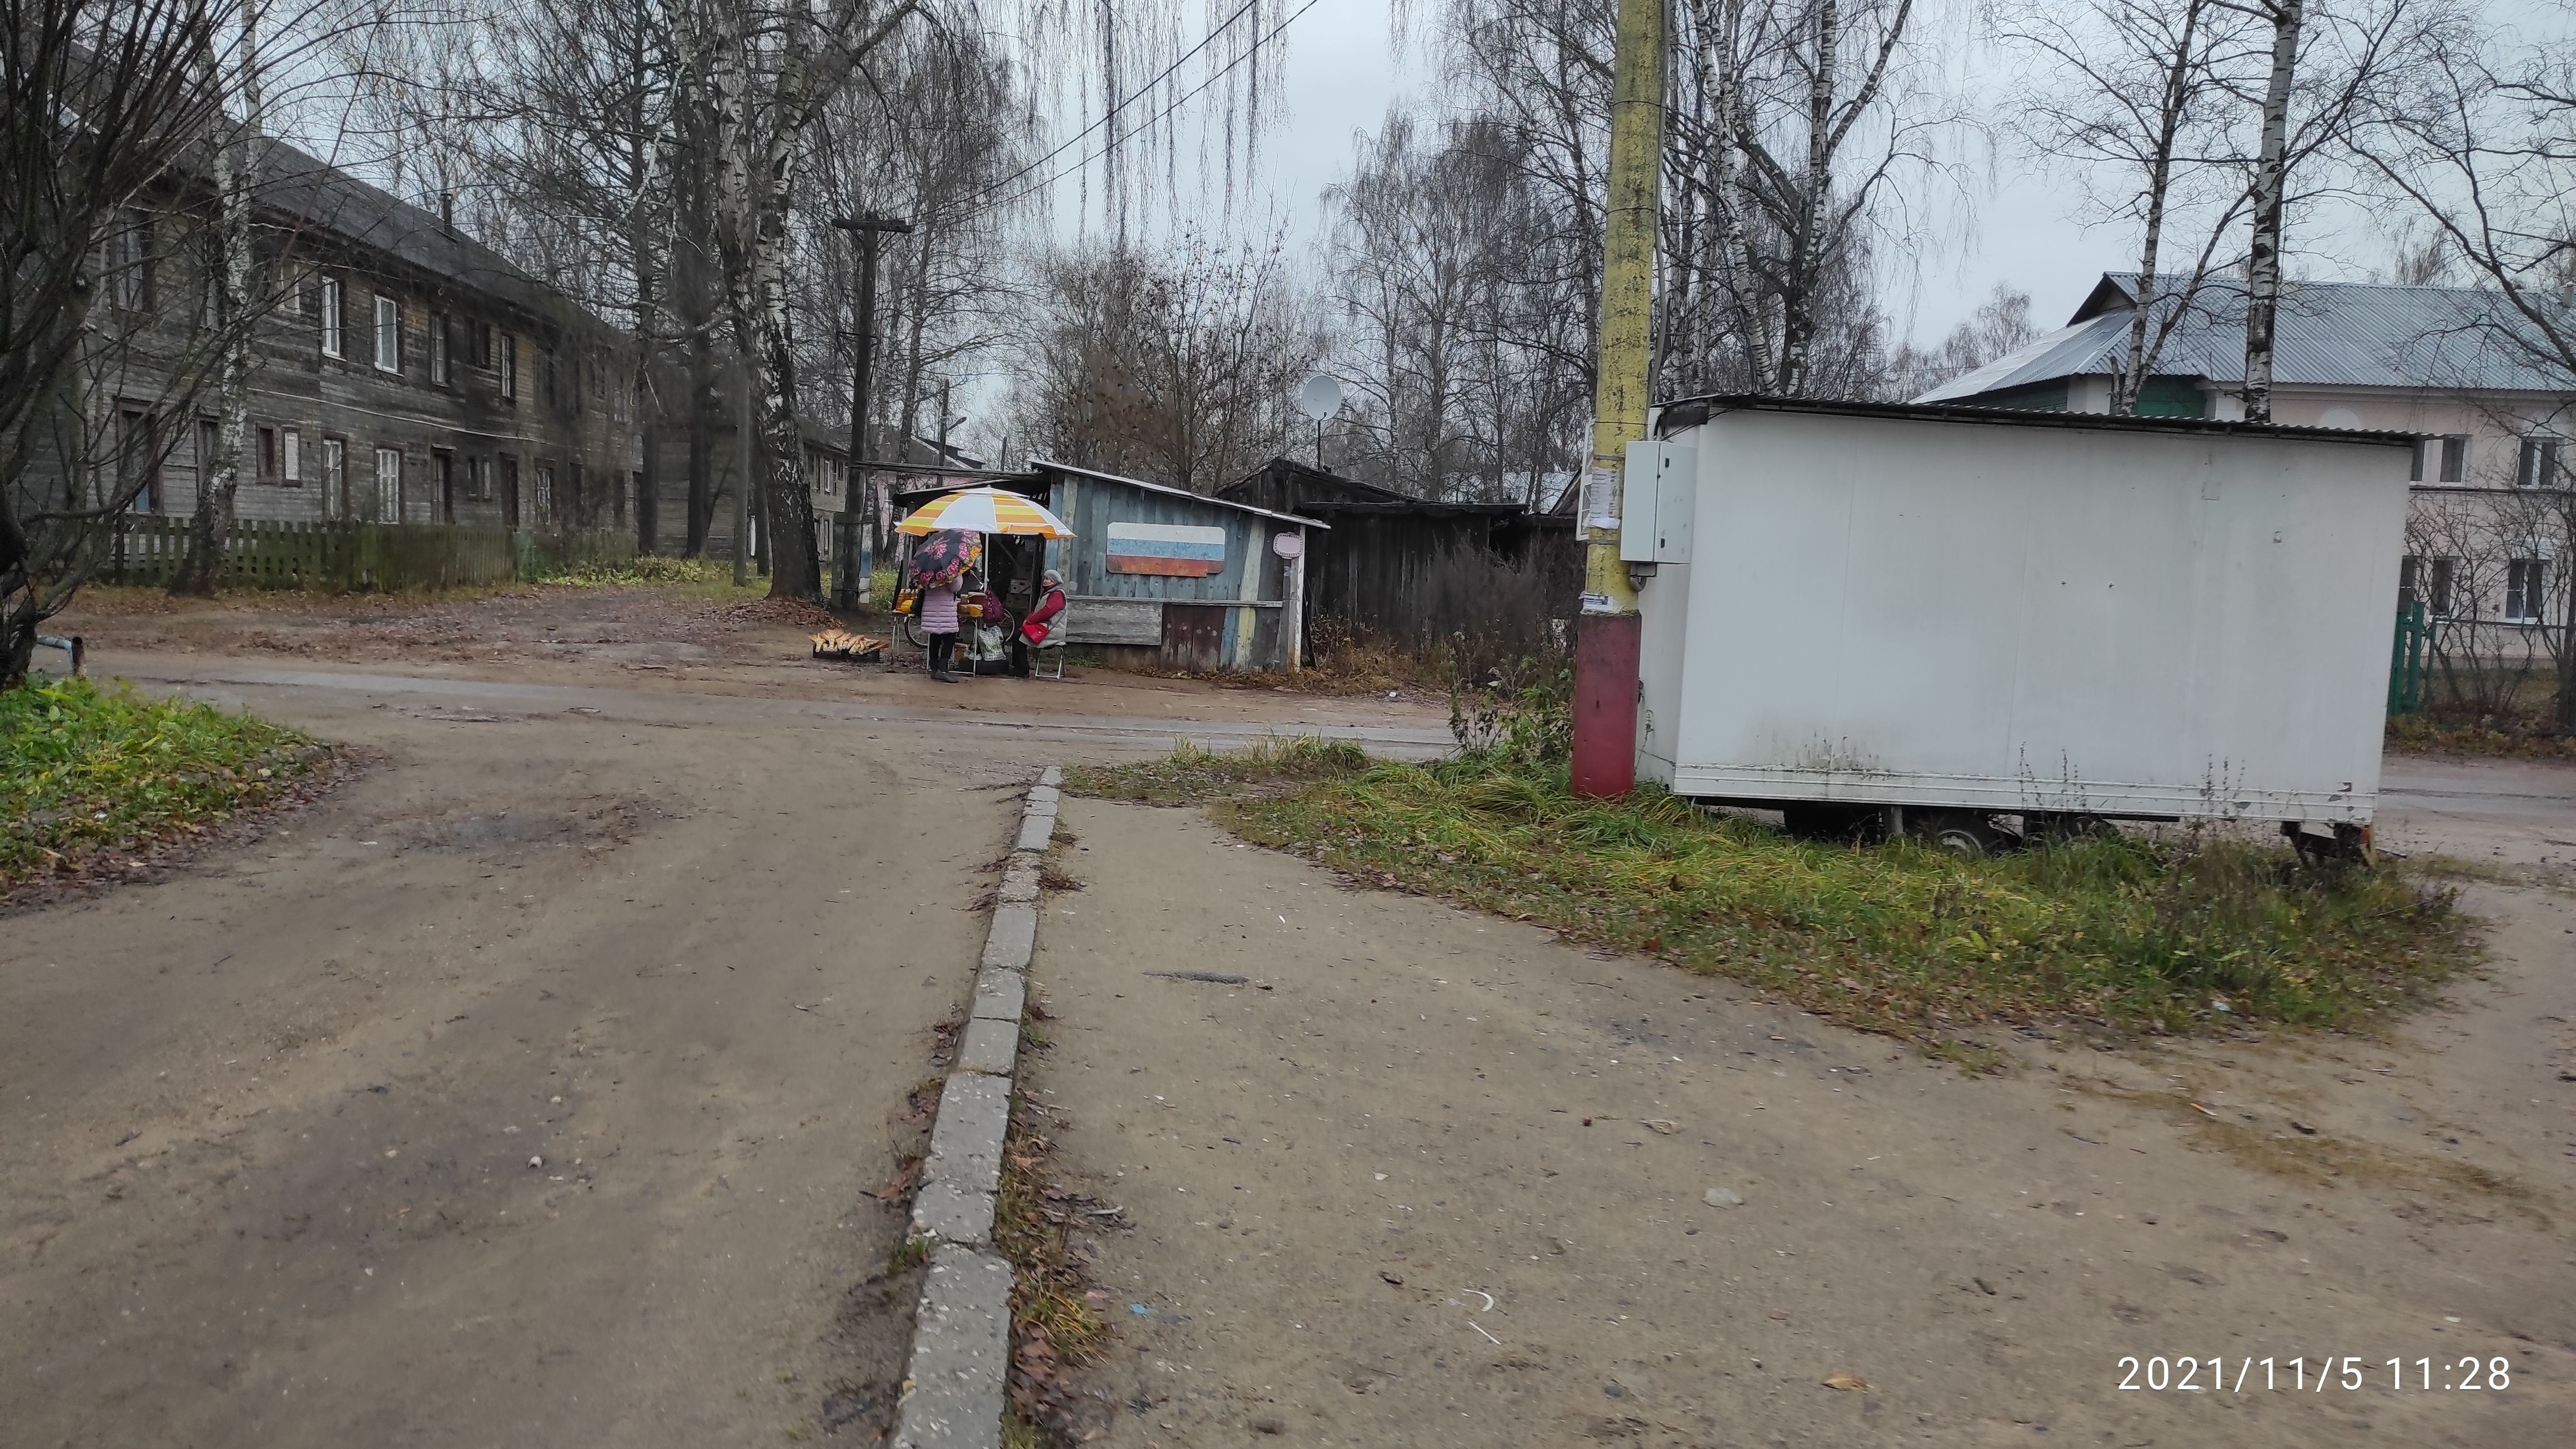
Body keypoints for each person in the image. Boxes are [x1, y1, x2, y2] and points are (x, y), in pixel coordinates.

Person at [922, 568, 961, 682]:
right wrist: (959, 576)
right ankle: (943, 670)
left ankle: (934, 669)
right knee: (950, 637)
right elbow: (955, 588)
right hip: (945, 610)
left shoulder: (927, 569)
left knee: (935, 638)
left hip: (931, 608)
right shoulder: (949, 569)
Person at [1019, 569, 1066, 647]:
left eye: (1048, 579)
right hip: (1046, 627)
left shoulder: (1057, 593)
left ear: (1054, 581)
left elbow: (1047, 612)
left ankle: (1021, 659)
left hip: (1053, 630)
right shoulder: (1049, 592)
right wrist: (1027, 620)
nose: (1044, 581)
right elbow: (1037, 611)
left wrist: (1030, 621)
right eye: (1044, 579)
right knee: (1020, 633)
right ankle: (1021, 659)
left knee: (1019, 636)